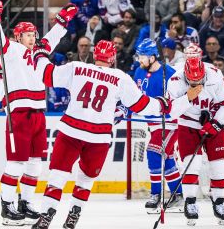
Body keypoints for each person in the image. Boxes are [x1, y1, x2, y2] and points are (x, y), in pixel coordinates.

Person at [31, 38, 173, 229]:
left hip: (70, 132)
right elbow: (141, 105)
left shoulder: (76, 67)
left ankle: (46, 216)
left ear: (94, 55)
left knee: (57, 176)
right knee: (86, 179)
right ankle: (74, 215)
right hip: (98, 137)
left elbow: (47, 75)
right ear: (112, 58)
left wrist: (40, 54)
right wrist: (161, 104)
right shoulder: (121, 77)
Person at [0, 1, 78, 226]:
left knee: (35, 163)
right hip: (19, 112)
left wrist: (63, 22)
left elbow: (52, 38)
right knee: (16, 162)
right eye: (27, 34)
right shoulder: (10, 49)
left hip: (39, 112)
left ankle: (25, 203)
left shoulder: (39, 51)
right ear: (18, 37)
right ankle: (6, 207)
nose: (32, 38)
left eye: (33, 34)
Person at [167, 44, 224, 226]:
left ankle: (219, 203)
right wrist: (188, 97)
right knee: (192, 165)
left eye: (199, 81)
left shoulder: (214, 74)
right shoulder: (175, 80)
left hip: (212, 122)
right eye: (192, 82)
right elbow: (172, 112)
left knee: (219, 165)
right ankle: (190, 203)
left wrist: (215, 123)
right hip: (187, 124)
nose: (196, 84)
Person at [133, 38, 183, 213]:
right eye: (139, 56)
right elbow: (134, 97)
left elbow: (181, 99)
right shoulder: (139, 72)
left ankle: (156, 194)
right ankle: (178, 195)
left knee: (154, 152)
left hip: (169, 123)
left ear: (153, 57)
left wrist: (169, 101)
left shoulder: (169, 74)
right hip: (153, 124)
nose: (140, 60)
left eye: (143, 56)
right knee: (167, 158)